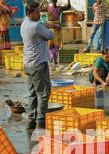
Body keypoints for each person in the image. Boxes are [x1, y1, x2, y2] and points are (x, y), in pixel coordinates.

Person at [21, 1, 60, 130]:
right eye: (37, 12)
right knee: (43, 94)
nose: (39, 14)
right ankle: (40, 122)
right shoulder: (35, 27)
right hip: (38, 64)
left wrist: (51, 24)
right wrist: (52, 28)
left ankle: (30, 120)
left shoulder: (25, 24)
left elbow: (42, 24)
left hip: (28, 64)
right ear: (29, 13)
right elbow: (50, 35)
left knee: (32, 94)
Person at [40, 0, 71, 64]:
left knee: (49, 44)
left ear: (51, 1)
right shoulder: (60, 8)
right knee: (57, 44)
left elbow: (39, 8)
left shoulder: (48, 7)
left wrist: (43, 1)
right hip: (57, 27)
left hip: (50, 26)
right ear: (56, 1)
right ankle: (56, 59)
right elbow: (69, 6)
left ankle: (51, 55)